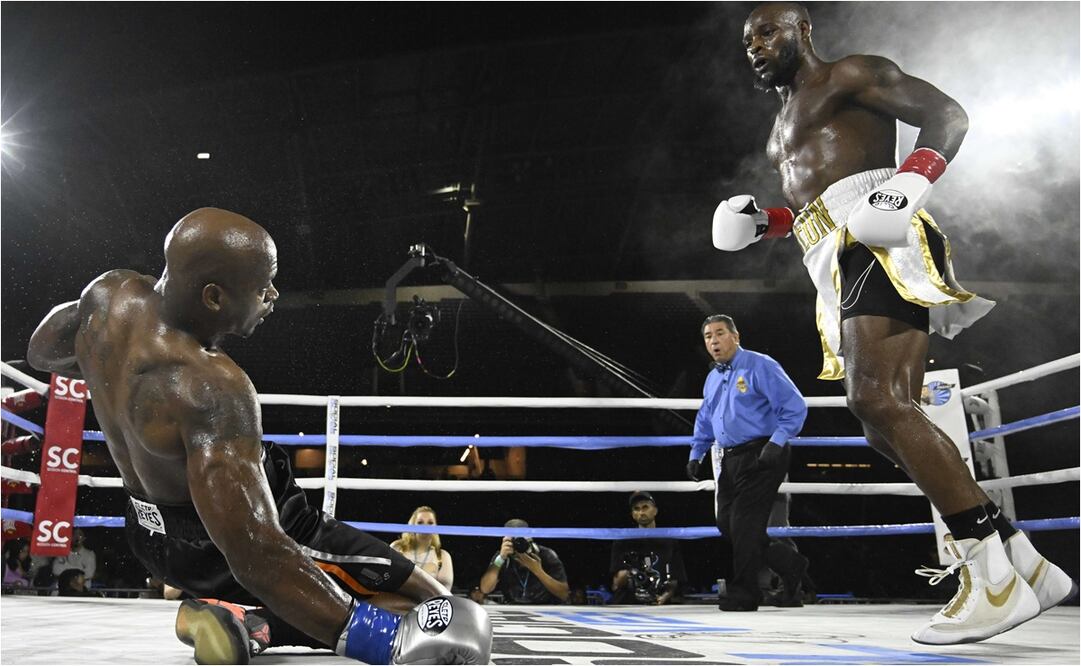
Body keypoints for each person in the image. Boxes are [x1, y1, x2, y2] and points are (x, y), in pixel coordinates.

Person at [712, 3, 1075, 643]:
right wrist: (766, 224)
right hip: (832, 253)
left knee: (875, 397)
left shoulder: (850, 74)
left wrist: (909, 183)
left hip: (876, 237)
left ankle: (990, 578)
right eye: (748, 41)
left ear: (803, 30)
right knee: (883, 422)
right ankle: (1022, 560)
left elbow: (948, 116)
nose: (756, 46)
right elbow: (817, 203)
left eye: (768, 32)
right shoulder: (780, 125)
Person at [27, 207, 491, 665]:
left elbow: (40, 351)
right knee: (436, 606)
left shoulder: (108, 295)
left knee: (430, 599)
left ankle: (244, 621)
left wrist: (112, 371)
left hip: (149, 534)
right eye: (263, 285)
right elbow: (256, 549)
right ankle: (257, 623)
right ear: (214, 298)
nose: (273, 294)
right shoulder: (210, 388)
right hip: (233, 538)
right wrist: (382, 641)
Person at [686, 314, 809, 612]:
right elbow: (706, 418)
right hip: (730, 457)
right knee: (727, 523)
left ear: (735, 336)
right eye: (708, 336)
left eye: (719, 333)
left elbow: (795, 406)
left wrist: (776, 443)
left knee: (743, 524)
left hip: (762, 452)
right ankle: (790, 564)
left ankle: (745, 593)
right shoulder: (713, 377)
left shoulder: (760, 365)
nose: (714, 341)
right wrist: (696, 452)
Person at [610, 491, 686, 605]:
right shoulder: (623, 541)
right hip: (628, 604)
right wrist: (631, 571)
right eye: (636, 509)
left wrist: (665, 596)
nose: (641, 512)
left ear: (655, 510)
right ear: (632, 514)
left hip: (660, 604)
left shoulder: (669, 541)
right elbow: (616, 584)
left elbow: (676, 578)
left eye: (645, 507)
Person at [478, 519, 569, 604]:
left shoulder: (545, 554)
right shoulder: (502, 557)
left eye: (521, 539)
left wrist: (538, 571)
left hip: (544, 606)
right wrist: (500, 559)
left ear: (530, 538)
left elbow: (563, 594)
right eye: (514, 539)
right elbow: (485, 589)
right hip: (513, 607)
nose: (518, 543)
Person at [390, 506, 455, 590]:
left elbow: (445, 590)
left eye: (430, 522)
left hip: (430, 598)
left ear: (436, 526)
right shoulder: (398, 548)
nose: (425, 526)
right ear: (413, 525)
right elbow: (387, 577)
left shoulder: (443, 556)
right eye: (420, 522)